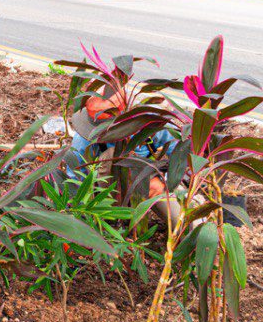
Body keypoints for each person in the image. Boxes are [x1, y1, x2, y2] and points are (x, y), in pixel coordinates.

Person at [65, 88, 182, 228]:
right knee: (112, 155)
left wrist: (166, 181)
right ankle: (115, 218)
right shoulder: (84, 137)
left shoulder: (149, 122)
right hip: (108, 190)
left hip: (150, 182)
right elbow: (75, 178)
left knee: (182, 220)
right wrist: (79, 218)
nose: (95, 129)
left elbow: (180, 153)